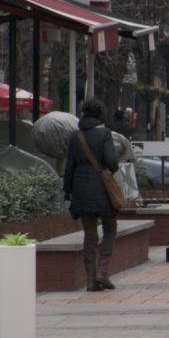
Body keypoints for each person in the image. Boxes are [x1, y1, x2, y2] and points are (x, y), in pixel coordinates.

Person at [63, 99, 120, 291]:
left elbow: (68, 167)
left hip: (80, 190)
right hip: (102, 191)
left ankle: (90, 280)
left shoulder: (74, 136)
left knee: (89, 234)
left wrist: (68, 191)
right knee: (110, 228)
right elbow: (112, 161)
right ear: (100, 114)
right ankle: (103, 272)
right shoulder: (104, 133)